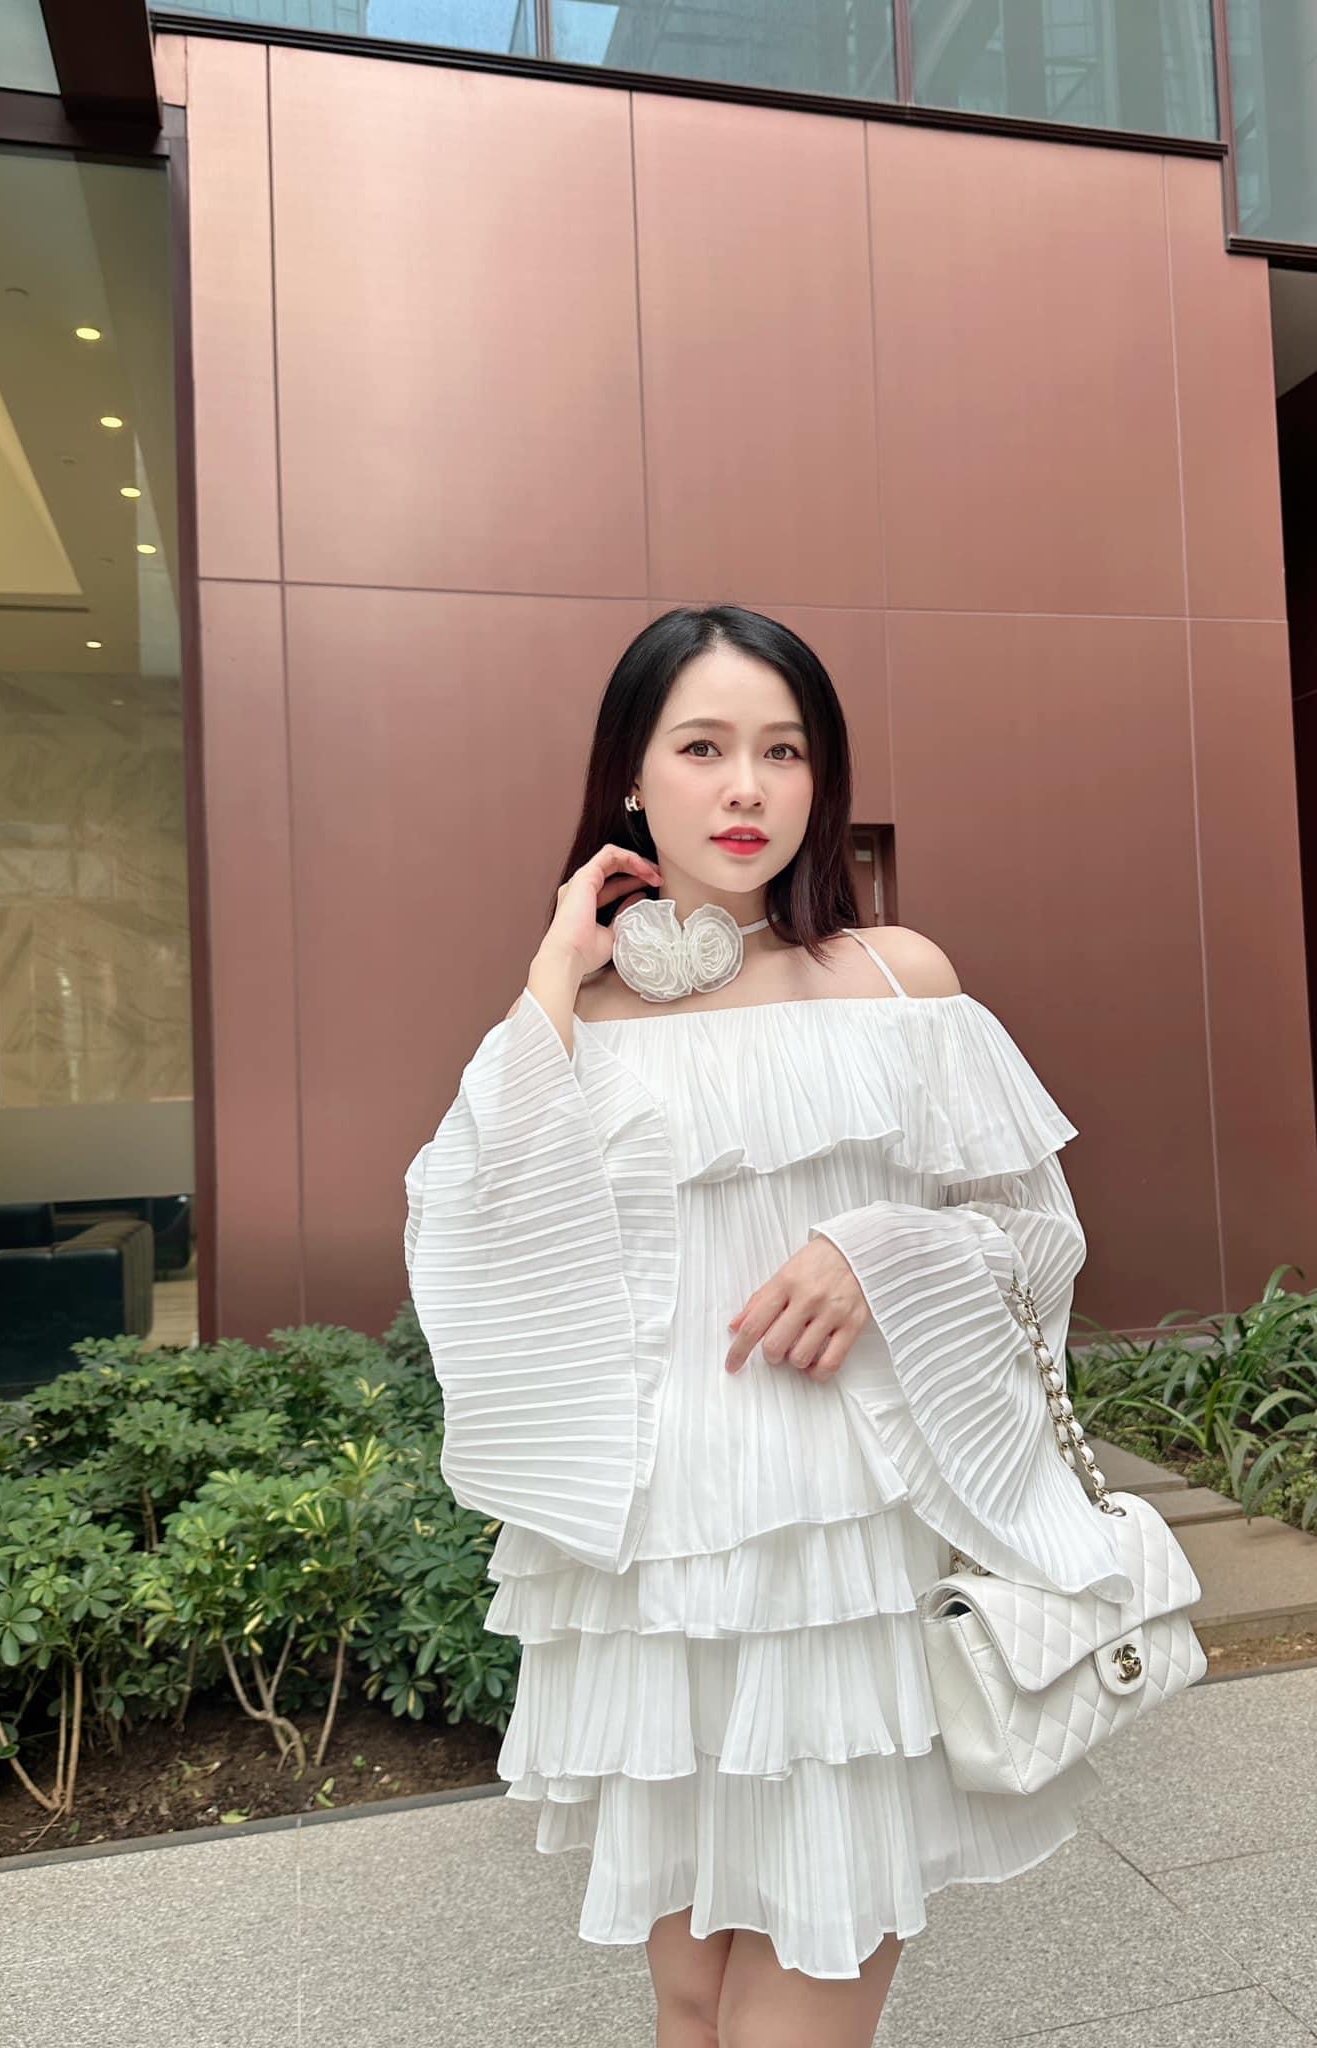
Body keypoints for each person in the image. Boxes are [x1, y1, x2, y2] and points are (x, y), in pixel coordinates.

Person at [403, 604, 1130, 2048]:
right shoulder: (574, 1024)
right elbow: (472, 1237)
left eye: (784, 751)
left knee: (798, 1996)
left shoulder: (899, 981)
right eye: (703, 748)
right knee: (689, 1996)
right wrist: (554, 970)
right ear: (631, 777)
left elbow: (1038, 1239)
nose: (747, 787)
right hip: (654, 1563)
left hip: (845, 1549)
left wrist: (882, 1252)